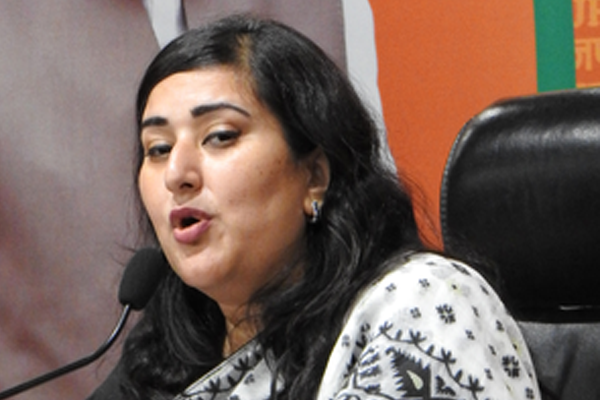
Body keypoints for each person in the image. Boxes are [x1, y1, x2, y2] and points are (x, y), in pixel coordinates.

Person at [89, 14, 540, 400]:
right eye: (158, 148)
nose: (176, 174)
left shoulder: (421, 304)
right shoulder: (159, 358)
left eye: (220, 136)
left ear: (315, 177)